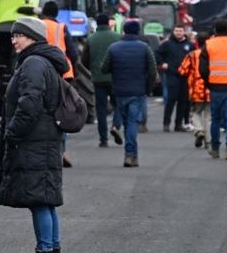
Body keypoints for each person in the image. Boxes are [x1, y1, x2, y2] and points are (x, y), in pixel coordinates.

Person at [0, 17, 69, 253]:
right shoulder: (44, 61)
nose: (14, 40)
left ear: (34, 38)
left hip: (34, 141)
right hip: (45, 139)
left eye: (20, 35)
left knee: (39, 200)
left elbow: (30, 101)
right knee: (46, 200)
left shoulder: (34, 63)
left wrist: (13, 131)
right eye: (13, 35)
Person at [101, 20, 158, 167]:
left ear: (124, 31)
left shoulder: (114, 48)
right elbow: (153, 71)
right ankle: (130, 154)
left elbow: (104, 68)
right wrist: (148, 88)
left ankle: (130, 155)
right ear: (138, 32)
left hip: (120, 91)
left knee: (127, 123)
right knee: (132, 123)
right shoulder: (144, 47)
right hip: (138, 91)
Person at [41, 1, 79, 167]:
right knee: (61, 113)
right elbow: (74, 54)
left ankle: (44, 151)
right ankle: (61, 150)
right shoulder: (61, 28)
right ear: (56, 14)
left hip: (41, 73)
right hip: (62, 74)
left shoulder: (37, 26)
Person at [83, 14, 123, 148]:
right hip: (115, 78)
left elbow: (84, 61)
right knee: (118, 105)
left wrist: (94, 69)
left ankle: (103, 139)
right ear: (108, 23)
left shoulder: (91, 39)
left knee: (100, 109)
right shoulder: (117, 37)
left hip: (98, 79)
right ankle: (116, 126)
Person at [200, 20, 227, 159]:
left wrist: (209, 83)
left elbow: (202, 69)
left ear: (214, 30)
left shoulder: (208, 44)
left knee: (216, 119)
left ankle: (215, 148)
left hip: (215, 86)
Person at [157, 26, 195, 132]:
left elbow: (195, 58)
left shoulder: (190, 45)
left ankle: (178, 124)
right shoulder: (167, 44)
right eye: (176, 31)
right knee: (171, 99)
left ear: (184, 32)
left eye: (180, 31)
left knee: (183, 101)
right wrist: (162, 63)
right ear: (173, 32)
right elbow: (157, 54)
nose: (178, 33)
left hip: (186, 76)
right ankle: (166, 123)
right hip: (172, 75)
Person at [178, 34, 210, 150]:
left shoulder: (192, 55)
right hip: (210, 89)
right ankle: (208, 140)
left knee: (195, 113)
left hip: (196, 89)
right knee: (208, 115)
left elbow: (182, 71)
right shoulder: (212, 55)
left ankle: (199, 130)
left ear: (196, 42)